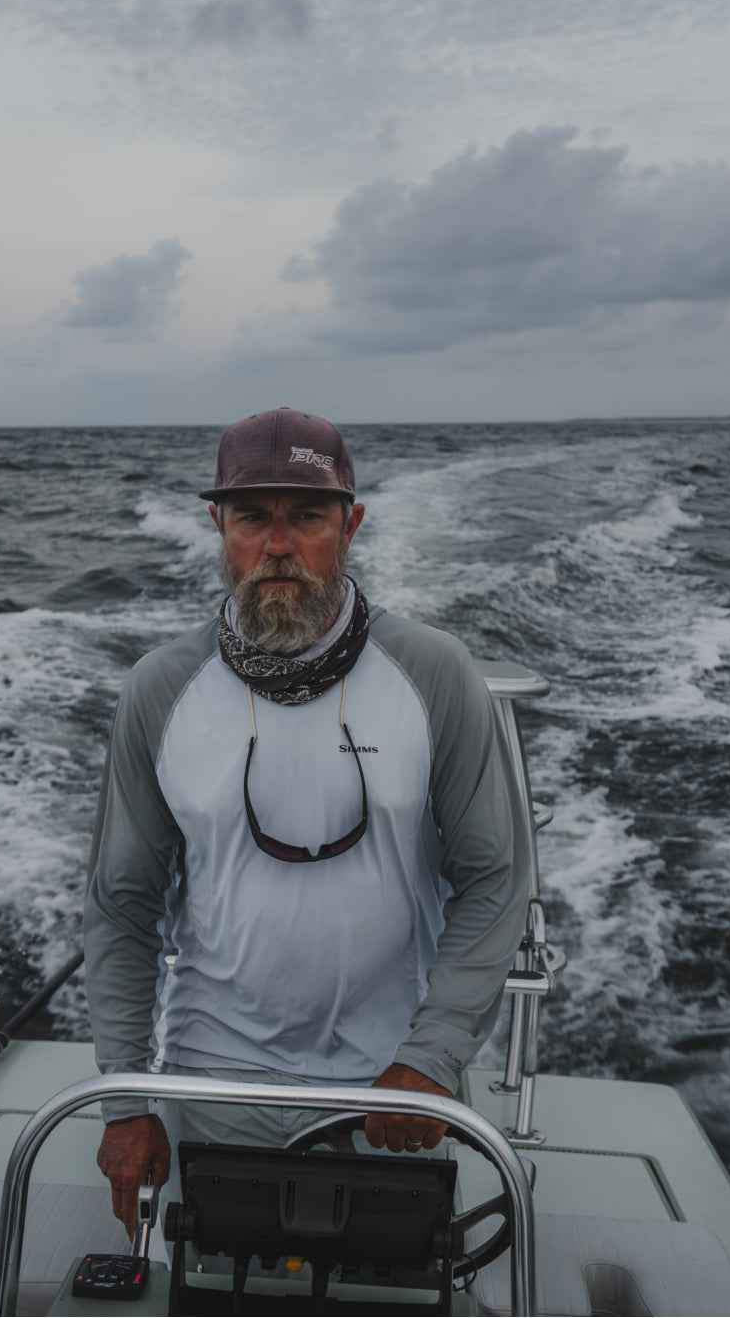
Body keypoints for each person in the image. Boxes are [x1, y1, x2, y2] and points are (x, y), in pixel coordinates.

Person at [84, 407, 526, 1234]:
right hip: (215, 1076)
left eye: (307, 515)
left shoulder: (435, 674)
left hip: (394, 1087)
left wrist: (429, 1060)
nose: (277, 544)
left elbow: (496, 879)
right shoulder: (158, 690)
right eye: (253, 516)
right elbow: (120, 903)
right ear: (218, 524)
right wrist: (126, 1094)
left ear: (350, 525)